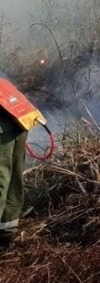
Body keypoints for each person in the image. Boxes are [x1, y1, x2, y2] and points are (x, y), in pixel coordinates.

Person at [0, 77, 43, 249]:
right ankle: (6, 233)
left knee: (4, 180)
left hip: (5, 127)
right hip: (18, 119)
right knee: (11, 180)